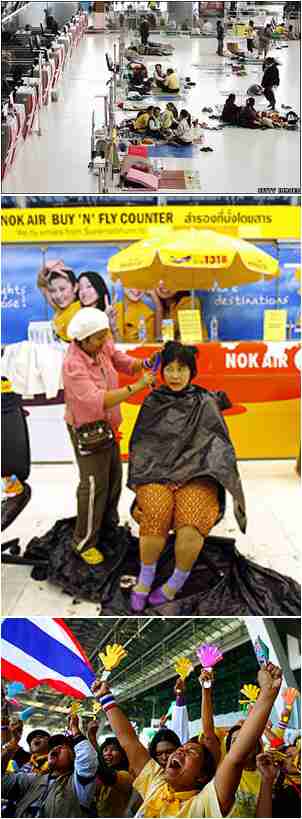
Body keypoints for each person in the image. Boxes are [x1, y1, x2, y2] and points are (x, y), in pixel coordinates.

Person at [128, 342, 246, 612]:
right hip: (156, 474)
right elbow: (142, 448)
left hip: (198, 475)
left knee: (191, 523)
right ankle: (145, 579)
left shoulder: (205, 402)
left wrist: (192, 471)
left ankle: (174, 584)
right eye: (169, 368)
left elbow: (218, 451)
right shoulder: (153, 402)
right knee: (156, 513)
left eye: (181, 369)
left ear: (191, 371)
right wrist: (164, 474)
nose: (175, 375)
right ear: (162, 372)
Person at [91, 662, 283, 818]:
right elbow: (129, 742)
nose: (179, 751)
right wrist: (106, 698)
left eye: (191, 752)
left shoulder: (205, 804)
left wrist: (267, 694)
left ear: (202, 776)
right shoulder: (156, 784)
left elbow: (235, 757)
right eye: (182, 748)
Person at [63, 308, 154, 566]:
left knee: (114, 479)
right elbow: (98, 400)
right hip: (87, 430)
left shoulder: (101, 343)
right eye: (99, 339)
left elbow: (119, 359)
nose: (105, 342)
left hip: (109, 427)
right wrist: (137, 386)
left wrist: (142, 364)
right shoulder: (73, 365)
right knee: (93, 486)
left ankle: (106, 528)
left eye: (106, 336)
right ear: (83, 340)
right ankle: (84, 542)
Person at [2, 713, 98, 818]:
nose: (55, 748)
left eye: (62, 747)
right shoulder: (32, 779)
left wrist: (75, 728)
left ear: (74, 757)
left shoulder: (78, 785)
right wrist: (13, 743)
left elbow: (87, 759)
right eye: (53, 746)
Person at [87, 725, 134, 818]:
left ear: (122, 755)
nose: (108, 753)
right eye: (105, 750)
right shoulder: (99, 777)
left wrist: (92, 739)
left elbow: (106, 773)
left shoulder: (126, 776)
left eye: (113, 750)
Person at [37, 259, 81, 342]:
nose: (58, 296)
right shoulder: (59, 309)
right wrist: (46, 268)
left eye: (62, 289)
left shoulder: (82, 309)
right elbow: (42, 285)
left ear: (75, 287)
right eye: (53, 291)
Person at [78, 270, 117, 337]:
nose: (83, 292)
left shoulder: (112, 314)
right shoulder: (78, 316)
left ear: (99, 288)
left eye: (89, 286)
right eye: (80, 288)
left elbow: (119, 345)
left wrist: (112, 328)